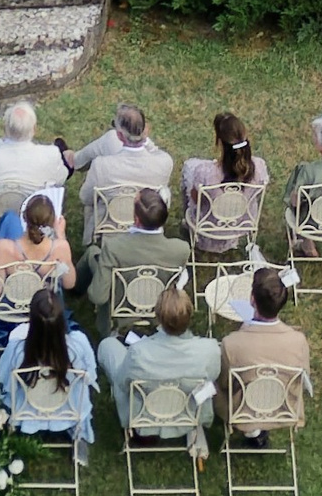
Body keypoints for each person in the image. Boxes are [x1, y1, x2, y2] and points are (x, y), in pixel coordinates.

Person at [98, 278, 219, 451]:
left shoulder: (139, 353)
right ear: (190, 316)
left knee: (107, 346)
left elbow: (122, 384)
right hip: (188, 414)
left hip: (142, 418)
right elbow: (210, 381)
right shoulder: (210, 349)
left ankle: (145, 433)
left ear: (158, 317)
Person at [0, 284, 97, 452]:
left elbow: (6, 384)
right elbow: (90, 377)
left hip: (27, 412)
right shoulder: (79, 344)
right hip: (69, 410)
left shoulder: (16, 350)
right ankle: (79, 441)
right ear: (61, 320)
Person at [222, 264, 313, 429]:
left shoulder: (231, 343)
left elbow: (224, 383)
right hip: (284, 411)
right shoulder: (298, 341)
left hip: (244, 414)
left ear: (252, 300)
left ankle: (253, 433)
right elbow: (304, 376)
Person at [84, 185, 190, 323]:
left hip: (121, 315)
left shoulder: (114, 247)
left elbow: (98, 297)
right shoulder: (181, 249)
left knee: (92, 253)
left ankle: (73, 289)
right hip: (160, 312)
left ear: (137, 219)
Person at [0, 98, 71, 224]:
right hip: (35, 218)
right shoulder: (50, 155)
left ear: (5, 128)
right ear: (34, 129)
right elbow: (61, 178)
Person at [184, 110, 266, 247]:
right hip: (241, 223)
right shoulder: (259, 167)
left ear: (220, 142)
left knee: (189, 167)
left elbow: (195, 199)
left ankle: (188, 226)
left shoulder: (205, 172)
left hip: (208, 225)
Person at [68, 100, 175, 204]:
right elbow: (155, 151)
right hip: (148, 219)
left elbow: (85, 198)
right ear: (145, 129)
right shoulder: (165, 162)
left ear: (119, 135)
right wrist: (145, 140)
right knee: (110, 138)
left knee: (110, 138)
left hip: (110, 220)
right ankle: (75, 159)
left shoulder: (100, 166)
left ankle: (73, 160)